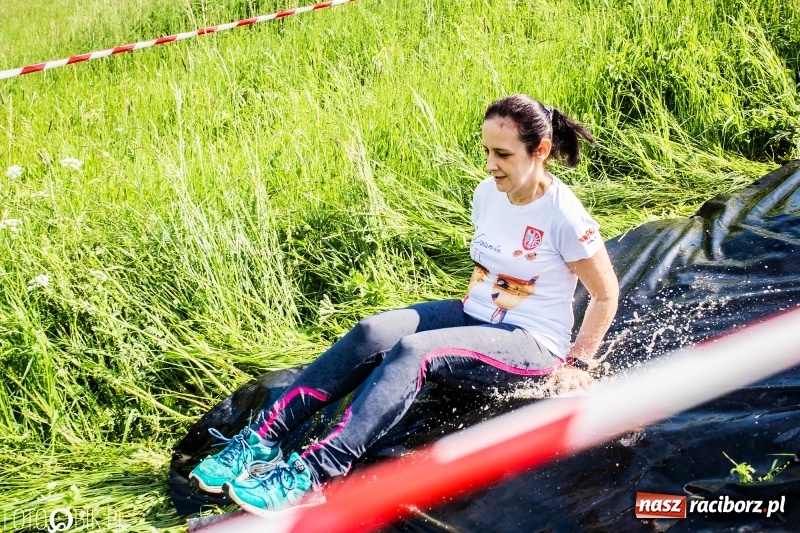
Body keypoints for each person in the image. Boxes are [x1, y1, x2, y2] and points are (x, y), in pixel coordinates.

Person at [188, 94, 619, 515]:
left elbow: (605, 293)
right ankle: (261, 440)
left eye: (502, 154)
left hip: (531, 341)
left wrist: (578, 362)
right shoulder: (487, 194)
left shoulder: (564, 216)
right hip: (476, 314)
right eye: (486, 151)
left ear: (540, 150)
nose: (490, 164)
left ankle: (315, 475)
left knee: (416, 351)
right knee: (371, 332)